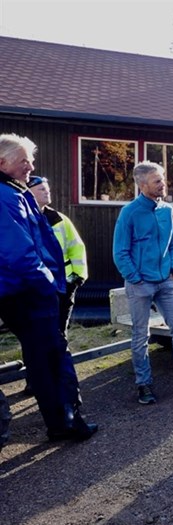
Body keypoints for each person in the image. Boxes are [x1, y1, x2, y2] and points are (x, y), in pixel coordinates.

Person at [0, 133, 97, 441]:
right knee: (53, 357)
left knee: (44, 358)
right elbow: (19, 253)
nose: (30, 166)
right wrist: (48, 285)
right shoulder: (5, 196)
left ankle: (62, 421)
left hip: (24, 291)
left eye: (30, 159)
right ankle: (66, 423)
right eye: (23, 160)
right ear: (2, 163)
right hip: (29, 293)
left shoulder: (13, 191)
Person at [113, 161, 173, 405]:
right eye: (157, 181)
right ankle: (143, 384)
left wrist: (172, 269)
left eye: (163, 179)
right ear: (142, 185)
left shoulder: (168, 210)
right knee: (140, 336)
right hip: (140, 284)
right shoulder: (130, 213)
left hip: (165, 282)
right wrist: (135, 277)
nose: (163, 184)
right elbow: (120, 252)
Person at [27, 176, 88, 337]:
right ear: (28, 193)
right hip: (36, 286)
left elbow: (77, 247)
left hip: (64, 284)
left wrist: (78, 276)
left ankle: (60, 360)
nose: (47, 192)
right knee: (38, 333)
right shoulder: (22, 220)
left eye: (48, 189)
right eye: (41, 189)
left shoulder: (59, 219)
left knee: (60, 332)